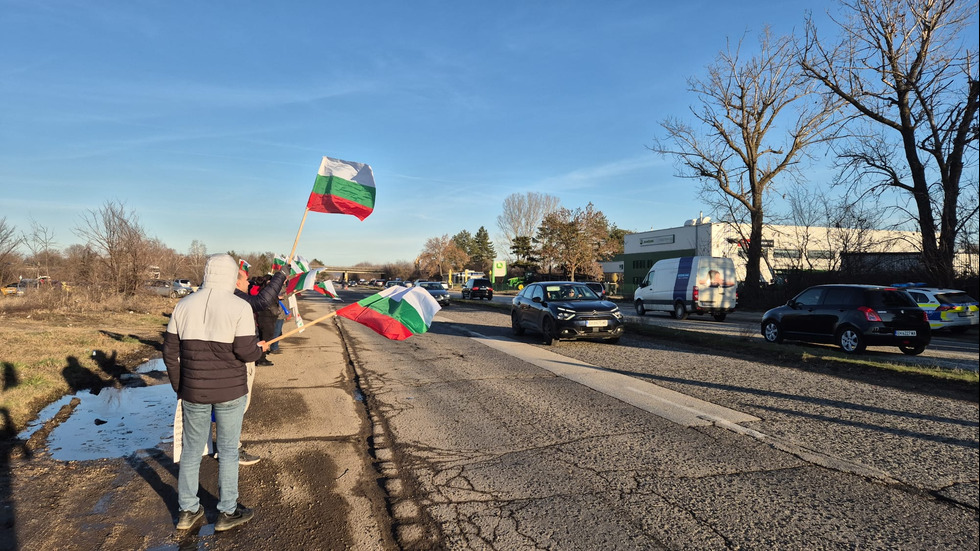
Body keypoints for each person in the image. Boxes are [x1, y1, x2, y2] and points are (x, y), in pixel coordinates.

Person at [163, 254, 267, 532]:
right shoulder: (239, 306)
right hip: (231, 391)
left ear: (207, 273)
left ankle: (187, 509)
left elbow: (170, 351)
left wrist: (179, 385)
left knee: (191, 450)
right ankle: (227, 511)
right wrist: (260, 349)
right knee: (229, 450)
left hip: (193, 391)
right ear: (233, 274)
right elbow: (246, 352)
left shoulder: (183, 305)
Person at [233, 266, 286, 465]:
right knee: (237, 407)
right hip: (237, 365)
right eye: (245, 280)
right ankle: (232, 449)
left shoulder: (197, 301)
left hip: (211, 370)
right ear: (237, 282)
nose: (248, 283)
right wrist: (257, 351)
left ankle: (224, 446)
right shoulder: (236, 299)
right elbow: (262, 301)